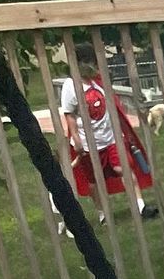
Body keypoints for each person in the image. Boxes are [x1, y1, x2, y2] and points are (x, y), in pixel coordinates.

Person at [58, 69, 158, 216]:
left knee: (122, 168)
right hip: (88, 143)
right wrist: (76, 138)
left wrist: (123, 131)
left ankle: (140, 207)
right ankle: (102, 213)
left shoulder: (99, 81)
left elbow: (113, 108)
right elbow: (69, 114)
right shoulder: (70, 85)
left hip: (111, 138)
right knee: (94, 180)